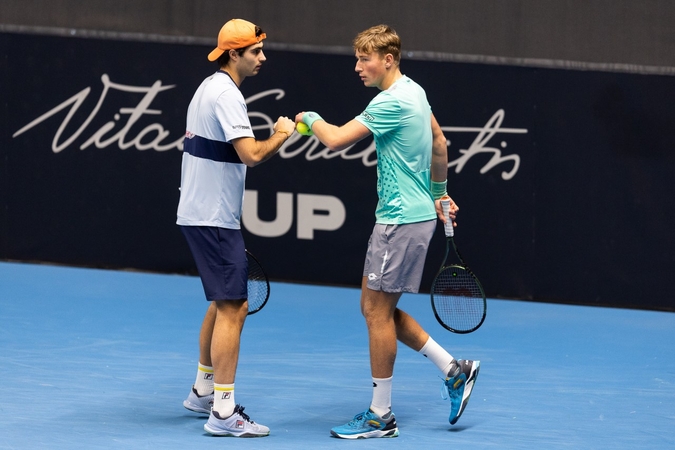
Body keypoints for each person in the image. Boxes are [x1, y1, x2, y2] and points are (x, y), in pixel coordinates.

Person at [295, 24, 480, 439]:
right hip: (410, 218)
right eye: (357, 58)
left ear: (388, 60)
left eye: (365, 59)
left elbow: (336, 140)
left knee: (376, 313)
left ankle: (381, 416)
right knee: (375, 307)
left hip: (398, 222)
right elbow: (439, 140)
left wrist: (310, 118)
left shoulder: (389, 102)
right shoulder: (415, 90)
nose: (358, 67)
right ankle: (454, 369)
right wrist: (439, 194)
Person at [177, 18, 295, 437]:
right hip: (212, 216)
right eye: (255, 51)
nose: (262, 58)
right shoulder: (227, 96)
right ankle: (223, 413)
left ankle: (202, 390)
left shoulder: (208, 87)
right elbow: (251, 154)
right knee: (233, 307)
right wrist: (281, 134)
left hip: (204, 212)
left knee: (221, 302)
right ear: (234, 54)